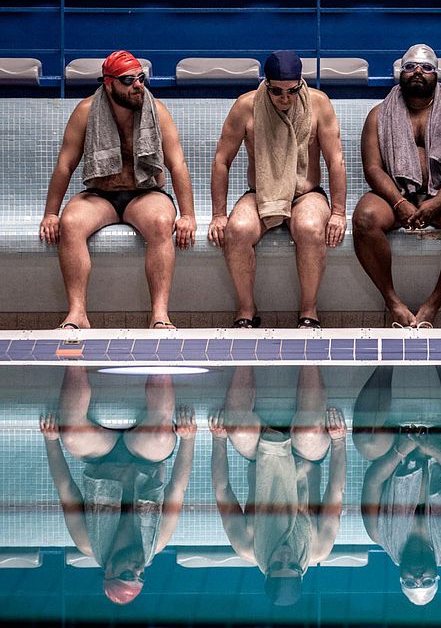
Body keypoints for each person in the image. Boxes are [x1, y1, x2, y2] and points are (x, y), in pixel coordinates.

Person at [39, 50, 197, 329]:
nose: (138, 85)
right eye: (128, 80)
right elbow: (65, 165)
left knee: (162, 222)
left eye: (141, 78)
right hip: (101, 195)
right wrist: (51, 213)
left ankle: (159, 315)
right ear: (109, 83)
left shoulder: (156, 110)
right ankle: (77, 314)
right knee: (71, 222)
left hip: (145, 193)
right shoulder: (86, 111)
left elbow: (178, 164)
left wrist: (188, 215)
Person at [208, 50, 347, 328]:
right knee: (237, 231)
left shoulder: (319, 104)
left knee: (309, 228)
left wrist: (339, 212)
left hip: (306, 192)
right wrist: (218, 214)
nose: (285, 99)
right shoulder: (246, 106)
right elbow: (222, 160)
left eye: (292, 91)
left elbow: (336, 160)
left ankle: (309, 310)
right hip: (262, 193)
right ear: (265, 84)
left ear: (301, 83)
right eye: (277, 92)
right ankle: (246, 310)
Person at [352, 44, 441, 328]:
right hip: (394, 196)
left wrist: (436, 202)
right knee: (365, 219)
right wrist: (400, 203)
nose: (418, 73)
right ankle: (393, 302)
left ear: (436, 75)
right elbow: (373, 168)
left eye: (426, 68)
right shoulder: (379, 115)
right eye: (411, 66)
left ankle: (433, 303)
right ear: (401, 72)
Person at [40, 366, 196, 605]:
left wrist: (52, 441)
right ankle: (159, 353)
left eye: (127, 575)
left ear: (109, 570)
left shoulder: (86, 541)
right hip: (146, 458)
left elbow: (67, 489)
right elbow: (177, 489)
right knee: (161, 436)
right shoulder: (157, 541)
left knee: (70, 435)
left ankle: (75, 350)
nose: (137, 569)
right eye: (141, 576)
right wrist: (188, 439)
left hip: (102, 457)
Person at [209, 366, 347, 606]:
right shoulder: (319, 547)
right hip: (307, 457)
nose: (285, 556)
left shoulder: (247, 545)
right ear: (302, 572)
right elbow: (336, 491)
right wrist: (338, 441)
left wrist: (219, 439)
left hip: (262, 456)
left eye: (277, 565)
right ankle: (308, 341)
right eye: (292, 565)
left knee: (238, 426)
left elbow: (223, 491)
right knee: (308, 431)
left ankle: (245, 344)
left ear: (266, 572)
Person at [354, 366, 441, 605]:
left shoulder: (379, 533)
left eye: (410, 583)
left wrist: (400, 451)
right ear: (437, 576)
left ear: (400, 577)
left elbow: (373, 480)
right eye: (426, 582)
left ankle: (386, 361)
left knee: (367, 441)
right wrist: (436, 451)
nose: (418, 578)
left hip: (397, 452)